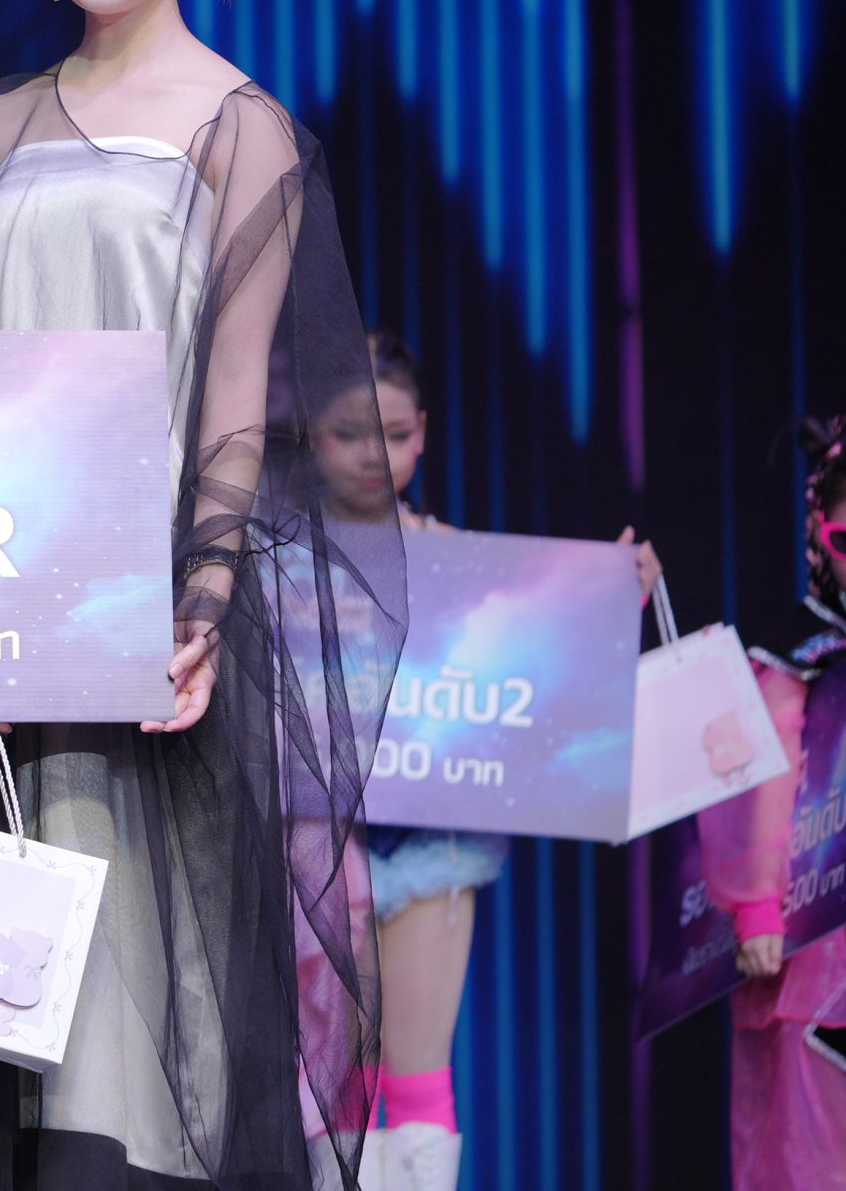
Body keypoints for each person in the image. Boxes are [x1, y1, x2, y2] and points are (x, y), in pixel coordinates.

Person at [0, 0, 406, 1190]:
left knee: (136, 1057)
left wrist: (200, 604)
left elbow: (235, 402)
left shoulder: (242, 128)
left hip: (142, 633)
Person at [307, 330, 660, 1191]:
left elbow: (539, 666)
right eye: (350, 432)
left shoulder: (461, 562)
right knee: (332, 1078)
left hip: (431, 842)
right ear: (311, 433)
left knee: (419, 1069)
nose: (373, 453)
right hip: (313, 841)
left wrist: (613, 595)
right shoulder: (281, 555)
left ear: (424, 433)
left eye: (394, 433)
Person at [698, 416, 846, 1191]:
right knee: (804, 1150)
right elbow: (761, 782)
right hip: (817, 953)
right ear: (819, 532)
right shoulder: (798, 655)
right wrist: (757, 906)